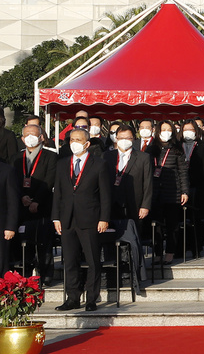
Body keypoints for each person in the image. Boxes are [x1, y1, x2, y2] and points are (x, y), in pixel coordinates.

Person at [53, 129, 112, 312]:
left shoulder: (99, 164)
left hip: (90, 218)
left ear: (87, 144)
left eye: (78, 140)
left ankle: (91, 298)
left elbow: (105, 195)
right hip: (67, 219)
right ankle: (72, 297)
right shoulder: (62, 164)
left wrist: (104, 218)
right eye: (72, 140)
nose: (74, 143)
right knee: (70, 260)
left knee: (93, 260)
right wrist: (56, 217)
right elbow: (58, 193)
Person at [105, 125, 152, 293]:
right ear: (116, 139)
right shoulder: (107, 156)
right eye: (121, 138)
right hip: (111, 205)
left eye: (128, 138)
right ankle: (114, 275)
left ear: (133, 139)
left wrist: (145, 205)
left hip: (135, 205)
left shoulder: (143, 157)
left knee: (133, 240)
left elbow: (148, 183)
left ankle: (135, 275)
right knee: (111, 241)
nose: (124, 141)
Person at [16, 125, 56, 282]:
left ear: (41, 137)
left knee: (44, 242)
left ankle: (46, 275)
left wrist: (37, 200)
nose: (30, 138)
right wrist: (22, 197)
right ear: (22, 138)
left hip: (43, 205)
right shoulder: (16, 158)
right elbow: (13, 181)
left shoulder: (50, 156)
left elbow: (49, 180)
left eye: (33, 135)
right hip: (23, 205)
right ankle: (24, 275)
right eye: (27, 135)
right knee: (24, 243)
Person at [150, 121, 191, 264]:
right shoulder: (151, 148)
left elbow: (183, 171)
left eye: (169, 129)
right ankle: (157, 253)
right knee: (156, 226)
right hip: (155, 192)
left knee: (172, 225)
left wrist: (185, 191)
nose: (166, 132)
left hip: (173, 192)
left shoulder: (177, 149)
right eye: (163, 129)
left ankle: (170, 252)